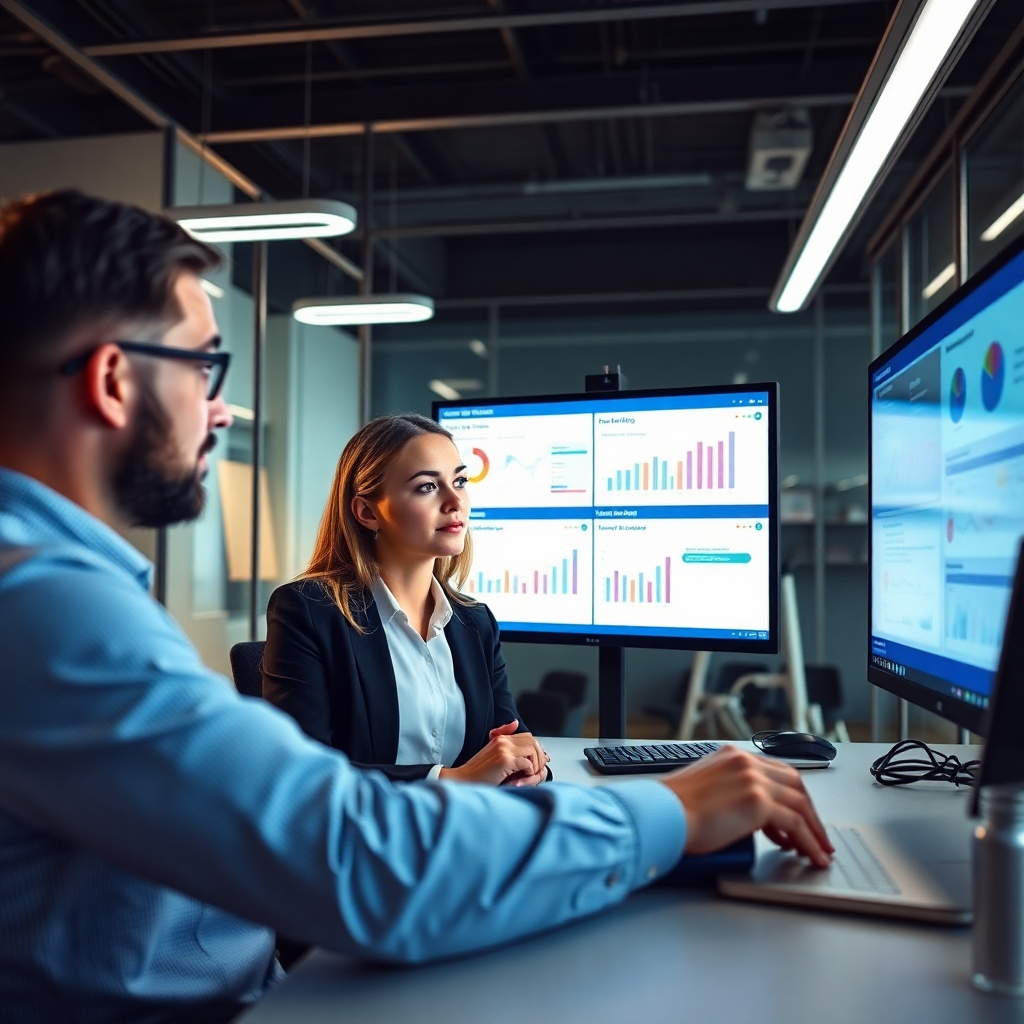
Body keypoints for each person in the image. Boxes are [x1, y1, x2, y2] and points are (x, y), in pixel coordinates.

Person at [0, 189, 832, 1023]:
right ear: (113, 380)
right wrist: (675, 810)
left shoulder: (63, 589)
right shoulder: (46, 609)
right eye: (203, 367)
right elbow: (354, 856)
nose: (218, 410)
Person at [263, 414, 548, 786]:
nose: (454, 501)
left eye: (459, 481)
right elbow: (302, 774)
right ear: (367, 512)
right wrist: (450, 779)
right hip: (362, 836)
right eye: (427, 487)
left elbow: (512, 740)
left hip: (468, 830)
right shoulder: (307, 611)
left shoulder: (474, 622)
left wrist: (530, 768)